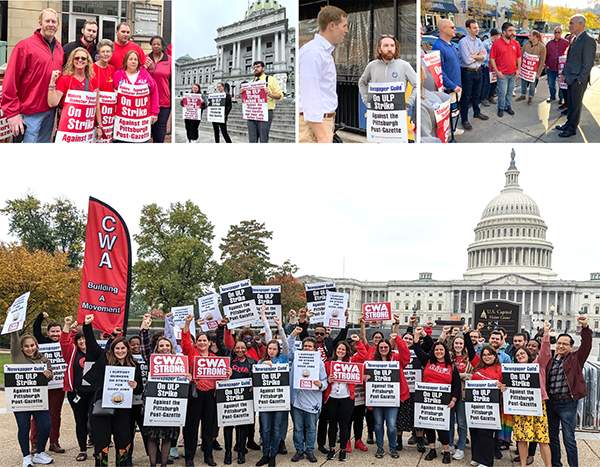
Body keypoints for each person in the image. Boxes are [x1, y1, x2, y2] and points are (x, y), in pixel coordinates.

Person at [82, 314, 143, 466]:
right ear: (112, 349)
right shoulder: (104, 359)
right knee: (102, 443)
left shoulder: (135, 366)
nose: (120, 351)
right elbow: (91, 344)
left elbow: (139, 389)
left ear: (127, 349)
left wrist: (136, 386)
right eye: (117, 348)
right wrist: (87, 326)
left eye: (123, 348)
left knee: (123, 442)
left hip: (123, 410)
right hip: (103, 408)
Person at [1, 8, 64, 142]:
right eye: (47, 21)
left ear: (58, 25)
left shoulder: (59, 49)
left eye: (54, 21)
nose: (51, 24)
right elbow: (10, 80)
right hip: (29, 114)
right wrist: (12, 113)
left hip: (49, 112)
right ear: (40, 22)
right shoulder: (24, 46)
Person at [544, 315, 591, 467]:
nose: (561, 346)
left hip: (568, 403)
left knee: (568, 438)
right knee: (552, 437)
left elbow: (587, 345)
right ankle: (556, 464)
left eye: (565, 344)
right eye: (559, 343)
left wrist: (585, 328)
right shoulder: (551, 360)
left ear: (571, 346)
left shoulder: (576, 358)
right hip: (552, 402)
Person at [298, 5, 348, 143]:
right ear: (332, 25)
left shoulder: (322, 52)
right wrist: (322, 135)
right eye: (344, 26)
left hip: (320, 123)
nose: (346, 30)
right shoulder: (313, 52)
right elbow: (310, 94)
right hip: (314, 126)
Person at [252, 318, 294, 467]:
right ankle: (265, 454)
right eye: (270, 348)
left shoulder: (283, 360)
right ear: (267, 349)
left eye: (274, 349)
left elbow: (287, 345)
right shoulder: (260, 363)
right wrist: (263, 319)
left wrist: (280, 327)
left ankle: (272, 456)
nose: (271, 351)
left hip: (279, 402)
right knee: (265, 429)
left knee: (276, 430)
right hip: (265, 402)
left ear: (278, 350)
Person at [10, 329, 55, 467]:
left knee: (46, 425)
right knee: (23, 428)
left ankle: (39, 453)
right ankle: (26, 456)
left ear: (36, 345)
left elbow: (49, 377)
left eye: (32, 345)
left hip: (38, 399)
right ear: (21, 348)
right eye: (26, 346)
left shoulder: (44, 359)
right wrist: (15, 324)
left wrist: (49, 375)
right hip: (21, 400)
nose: (30, 348)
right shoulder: (17, 356)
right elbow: (14, 338)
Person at [181, 314, 219, 467]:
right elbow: (184, 340)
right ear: (195, 343)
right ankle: (189, 456)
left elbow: (220, 377)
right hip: (194, 393)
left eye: (204, 340)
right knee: (191, 426)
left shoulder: (215, 358)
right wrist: (187, 323)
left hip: (210, 395)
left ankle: (208, 455)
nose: (202, 342)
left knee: (208, 427)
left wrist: (227, 373)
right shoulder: (191, 352)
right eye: (199, 340)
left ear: (209, 343)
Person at [512, 324, 552, 467]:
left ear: (528, 355)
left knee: (542, 438)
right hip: (520, 407)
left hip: (537, 406)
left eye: (522, 354)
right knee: (522, 439)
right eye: (517, 355)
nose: (520, 356)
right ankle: (523, 464)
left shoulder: (538, 364)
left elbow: (545, 353)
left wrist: (546, 335)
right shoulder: (513, 371)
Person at [323, 335, 368, 461]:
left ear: (347, 351)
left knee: (344, 425)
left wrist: (358, 341)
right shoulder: (328, 364)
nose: (341, 351)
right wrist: (328, 380)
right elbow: (323, 380)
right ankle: (332, 449)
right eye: (339, 349)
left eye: (343, 349)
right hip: (331, 398)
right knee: (332, 425)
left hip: (347, 398)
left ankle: (343, 449)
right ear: (335, 350)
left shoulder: (352, 362)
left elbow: (363, 354)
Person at [368, 329, 411, 459]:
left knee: (392, 425)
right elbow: (366, 375)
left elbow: (406, 356)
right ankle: (380, 448)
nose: (383, 349)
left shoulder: (396, 358)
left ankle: (393, 448)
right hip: (377, 399)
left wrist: (398, 339)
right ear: (377, 348)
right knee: (378, 425)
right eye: (381, 347)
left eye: (386, 346)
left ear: (390, 348)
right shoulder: (372, 361)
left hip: (393, 398)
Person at [555, 14, 597, 138]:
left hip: (578, 80)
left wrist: (580, 80)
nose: (570, 25)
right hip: (570, 78)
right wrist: (564, 73)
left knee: (576, 106)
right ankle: (568, 124)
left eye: (572, 23)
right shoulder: (574, 39)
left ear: (581, 24)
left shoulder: (588, 40)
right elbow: (569, 59)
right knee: (571, 104)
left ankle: (572, 128)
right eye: (570, 23)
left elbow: (588, 63)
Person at [288, 335, 328, 463]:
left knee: (311, 428)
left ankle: (310, 450)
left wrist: (320, 385)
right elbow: (289, 344)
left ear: (314, 348)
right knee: (298, 428)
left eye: (310, 346)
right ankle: (299, 450)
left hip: (313, 402)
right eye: (305, 346)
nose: (307, 348)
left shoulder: (319, 363)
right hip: (297, 401)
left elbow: (325, 381)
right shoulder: (296, 360)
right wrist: (293, 333)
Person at [420, 342, 461, 464]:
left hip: (444, 402)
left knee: (442, 428)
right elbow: (417, 347)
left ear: (445, 351)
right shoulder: (427, 362)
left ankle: (446, 451)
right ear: (433, 351)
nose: (439, 352)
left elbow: (457, 385)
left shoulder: (451, 366)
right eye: (436, 349)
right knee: (428, 425)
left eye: (441, 349)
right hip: (428, 400)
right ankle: (432, 449)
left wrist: (454, 399)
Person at [358, 34, 417, 117]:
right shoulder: (372, 66)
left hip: (397, 116)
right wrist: (367, 101)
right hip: (376, 115)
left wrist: (408, 103)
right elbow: (362, 82)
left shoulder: (404, 65)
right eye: (386, 46)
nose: (390, 49)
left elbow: (417, 84)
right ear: (379, 49)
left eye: (392, 46)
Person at [31, 313, 65, 455]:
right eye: (53, 331)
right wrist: (40, 317)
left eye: (58, 331)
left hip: (58, 385)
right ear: (48, 332)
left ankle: (54, 442)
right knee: (37, 414)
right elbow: (35, 329)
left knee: (55, 414)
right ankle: (34, 443)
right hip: (43, 384)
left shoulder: (65, 342)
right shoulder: (42, 341)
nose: (56, 334)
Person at [60, 316, 92, 462]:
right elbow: (64, 342)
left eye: (84, 338)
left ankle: (99, 446)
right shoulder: (72, 353)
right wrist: (67, 325)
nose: (82, 341)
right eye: (79, 339)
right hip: (76, 394)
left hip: (93, 394)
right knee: (80, 421)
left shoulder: (96, 353)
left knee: (95, 420)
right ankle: (83, 450)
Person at [112, 50, 159, 141]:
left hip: (140, 122)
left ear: (138, 62)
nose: (133, 61)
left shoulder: (145, 74)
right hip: (123, 121)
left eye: (135, 59)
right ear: (126, 61)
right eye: (130, 59)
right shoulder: (118, 75)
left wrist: (154, 113)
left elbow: (154, 93)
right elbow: (112, 93)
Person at [469, 345, 503, 467]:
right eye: (484, 355)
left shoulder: (500, 369)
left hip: (490, 408)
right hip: (476, 406)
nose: (487, 357)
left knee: (486, 434)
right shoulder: (477, 368)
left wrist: (501, 386)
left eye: (490, 354)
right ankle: (477, 457)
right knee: (475, 432)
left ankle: (486, 461)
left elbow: (506, 387)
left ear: (495, 356)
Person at [458, 19, 488, 131]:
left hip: (478, 71)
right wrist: (478, 56)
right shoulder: (463, 42)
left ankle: (477, 112)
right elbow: (466, 60)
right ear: (468, 29)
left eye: (477, 27)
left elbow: (485, 56)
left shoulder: (479, 40)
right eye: (474, 28)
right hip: (467, 73)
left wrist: (475, 56)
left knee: (477, 94)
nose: (477, 29)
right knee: (466, 97)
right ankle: (464, 120)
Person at [490, 22, 521, 118]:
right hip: (502, 74)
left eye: (514, 30)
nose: (513, 33)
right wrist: (497, 71)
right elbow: (492, 59)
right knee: (502, 93)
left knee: (510, 92)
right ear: (503, 32)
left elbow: (519, 57)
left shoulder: (515, 43)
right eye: (510, 31)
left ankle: (508, 107)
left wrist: (518, 69)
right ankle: (501, 108)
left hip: (513, 74)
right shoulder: (496, 43)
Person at [247, 61, 283, 143]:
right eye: (254, 67)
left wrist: (270, 94)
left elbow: (280, 95)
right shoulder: (251, 83)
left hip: (266, 112)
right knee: (252, 140)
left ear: (263, 68)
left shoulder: (271, 79)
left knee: (263, 139)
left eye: (258, 67)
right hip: (252, 113)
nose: (255, 69)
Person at [147, 36, 171, 143]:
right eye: (154, 44)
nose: (156, 46)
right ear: (151, 45)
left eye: (158, 44)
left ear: (162, 46)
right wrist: (148, 68)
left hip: (164, 101)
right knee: (148, 130)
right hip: (148, 101)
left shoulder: (169, 60)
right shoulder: (146, 59)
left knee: (160, 131)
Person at [516, 31, 546, 105]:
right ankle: (523, 95)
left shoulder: (542, 47)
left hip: (534, 71)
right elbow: (521, 55)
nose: (528, 36)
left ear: (535, 37)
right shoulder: (526, 44)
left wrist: (539, 73)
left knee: (532, 84)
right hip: (525, 69)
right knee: (523, 82)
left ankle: (530, 97)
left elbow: (542, 61)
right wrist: (519, 67)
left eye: (530, 35)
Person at [545, 26, 569, 105]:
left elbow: (569, 54)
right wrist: (546, 65)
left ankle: (561, 98)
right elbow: (546, 55)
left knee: (561, 85)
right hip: (551, 68)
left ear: (561, 33)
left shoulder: (566, 42)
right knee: (551, 84)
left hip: (562, 69)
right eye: (556, 32)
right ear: (554, 33)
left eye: (559, 32)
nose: (557, 34)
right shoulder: (549, 43)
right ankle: (552, 97)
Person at [480, 29, 500, 106]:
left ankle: (490, 96)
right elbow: (483, 56)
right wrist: (492, 59)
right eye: (498, 35)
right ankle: (484, 98)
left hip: (495, 66)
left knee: (494, 82)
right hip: (487, 66)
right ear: (495, 36)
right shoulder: (485, 43)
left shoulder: (497, 43)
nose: (499, 37)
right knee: (487, 83)